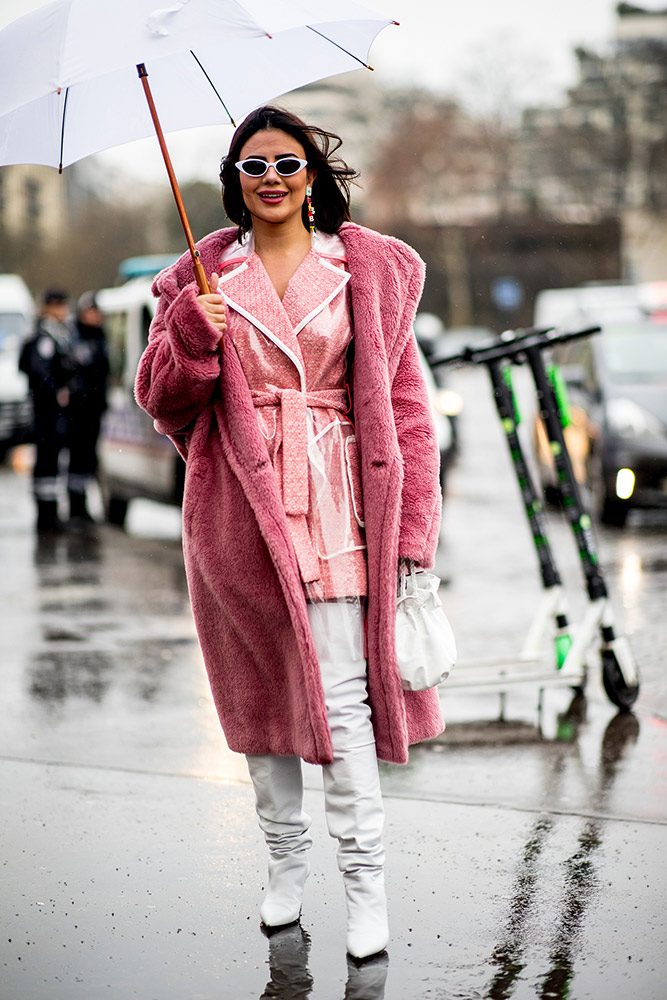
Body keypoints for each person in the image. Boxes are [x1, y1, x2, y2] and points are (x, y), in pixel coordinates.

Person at [135, 106, 444, 961]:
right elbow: (162, 404)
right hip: (238, 515)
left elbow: (409, 411)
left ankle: (365, 885)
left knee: (343, 706)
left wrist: (413, 531)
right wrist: (195, 335)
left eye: (286, 163)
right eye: (252, 166)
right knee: (264, 702)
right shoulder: (197, 283)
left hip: (344, 504)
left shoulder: (367, 270)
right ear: (233, 181)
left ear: (313, 176)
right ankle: (281, 869)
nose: (269, 178)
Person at [19, 288, 75, 532]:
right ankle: (46, 515)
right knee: (46, 459)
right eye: (61, 306)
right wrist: (56, 392)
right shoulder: (44, 335)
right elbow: (39, 371)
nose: (65, 311)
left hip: (51, 409)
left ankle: (50, 512)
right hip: (46, 409)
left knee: (51, 459)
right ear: (51, 307)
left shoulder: (54, 333)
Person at [67, 291, 109, 524]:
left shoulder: (99, 336)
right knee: (78, 458)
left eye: (96, 312)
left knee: (88, 459)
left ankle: (82, 508)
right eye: (90, 312)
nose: (94, 316)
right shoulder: (76, 337)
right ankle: (75, 508)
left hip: (94, 409)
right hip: (79, 411)